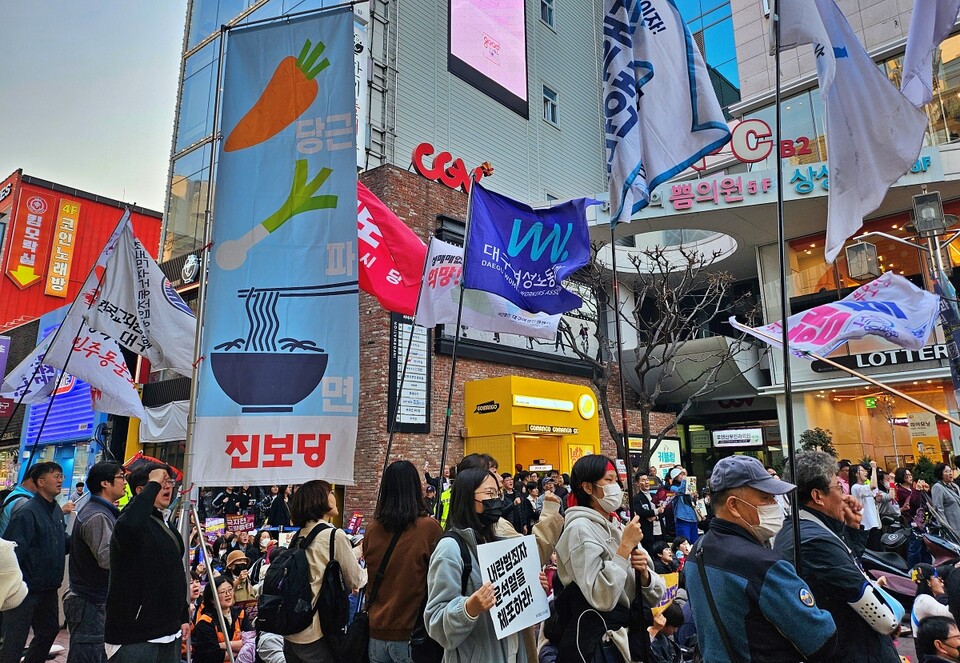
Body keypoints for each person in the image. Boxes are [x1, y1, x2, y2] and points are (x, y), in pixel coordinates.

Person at [685, 454, 838, 662]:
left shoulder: (697, 550)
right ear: (733, 505)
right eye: (766, 498)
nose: (774, 504)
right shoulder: (762, 564)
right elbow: (821, 640)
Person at [774, 451, 902, 663]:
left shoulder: (798, 529)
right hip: (853, 650)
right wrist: (892, 614)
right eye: (838, 488)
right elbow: (885, 619)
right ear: (817, 496)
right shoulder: (815, 542)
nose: (844, 496)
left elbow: (846, 570)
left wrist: (851, 528)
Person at [553, 454, 666, 662]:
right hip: (600, 643)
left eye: (616, 480)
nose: (616, 487)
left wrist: (644, 576)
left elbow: (655, 593)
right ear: (588, 487)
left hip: (629, 637)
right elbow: (601, 596)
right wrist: (623, 550)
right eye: (608, 480)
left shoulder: (619, 525)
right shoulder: (579, 529)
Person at [425, 467, 524, 661]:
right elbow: (436, 623)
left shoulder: (497, 542)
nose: (496, 500)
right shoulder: (450, 549)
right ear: (467, 498)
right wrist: (469, 609)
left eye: (498, 494)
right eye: (489, 493)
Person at [104, 462, 189, 663]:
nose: (167, 487)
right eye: (160, 482)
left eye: (169, 481)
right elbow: (129, 527)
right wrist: (153, 485)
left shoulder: (165, 524)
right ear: (142, 490)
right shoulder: (130, 522)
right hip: (135, 636)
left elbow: (175, 574)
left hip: (170, 632)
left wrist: (183, 616)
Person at [362, 460, 442, 663]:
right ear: (415, 488)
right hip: (412, 634)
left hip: (375, 632)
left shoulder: (372, 529)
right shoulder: (429, 528)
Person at [283, 480, 365, 663]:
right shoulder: (334, 535)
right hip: (316, 632)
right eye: (330, 493)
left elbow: (323, 562)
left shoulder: (299, 535)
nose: (334, 497)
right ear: (320, 500)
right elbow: (356, 579)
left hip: (292, 630)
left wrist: (358, 551)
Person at [0, 462, 70, 663]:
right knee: (14, 641)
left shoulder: (56, 510)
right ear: (40, 481)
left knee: (49, 631)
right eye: (55, 476)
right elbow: (13, 551)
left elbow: (61, 541)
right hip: (25, 590)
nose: (60, 480)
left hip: (49, 588)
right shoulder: (27, 512)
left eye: (61, 476)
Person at [64, 461, 127, 663]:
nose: (125, 482)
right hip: (90, 602)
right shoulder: (97, 515)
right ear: (105, 483)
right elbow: (107, 558)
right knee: (88, 656)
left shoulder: (102, 511)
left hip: (93, 600)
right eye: (121, 477)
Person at [192, 574, 254, 663]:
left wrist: (223, 645)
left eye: (230, 590)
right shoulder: (205, 622)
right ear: (212, 599)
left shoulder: (240, 614)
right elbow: (212, 655)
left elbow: (252, 642)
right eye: (223, 592)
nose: (228, 594)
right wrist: (241, 649)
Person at [895, 466, 931, 566]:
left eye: (911, 475)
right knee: (915, 547)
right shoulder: (901, 491)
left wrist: (925, 491)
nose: (910, 477)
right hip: (912, 522)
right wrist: (917, 490)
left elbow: (923, 502)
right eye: (907, 475)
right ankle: (912, 568)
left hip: (921, 521)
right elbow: (914, 502)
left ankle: (927, 567)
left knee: (925, 546)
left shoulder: (911, 489)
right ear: (901, 477)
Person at [850, 461, 882, 553]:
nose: (866, 472)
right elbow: (873, 486)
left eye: (866, 471)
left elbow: (875, 493)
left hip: (873, 524)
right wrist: (874, 468)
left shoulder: (865, 486)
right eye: (862, 470)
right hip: (866, 526)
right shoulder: (855, 487)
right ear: (856, 474)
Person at [911, 564, 954, 631]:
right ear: (928, 582)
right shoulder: (924, 600)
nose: (942, 582)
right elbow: (952, 614)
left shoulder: (922, 599)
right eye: (938, 578)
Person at [668, 467, 699, 545]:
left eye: (683, 474)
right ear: (675, 477)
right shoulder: (673, 487)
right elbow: (680, 491)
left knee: (695, 543)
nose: (682, 476)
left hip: (692, 517)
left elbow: (692, 500)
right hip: (682, 517)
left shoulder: (687, 485)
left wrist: (695, 496)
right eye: (680, 475)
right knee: (684, 543)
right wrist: (685, 478)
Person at [632, 473, 658, 555]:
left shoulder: (655, 495)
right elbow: (641, 512)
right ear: (637, 483)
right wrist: (656, 512)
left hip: (659, 529)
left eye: (647, 480)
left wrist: (656, 517)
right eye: (643, 480)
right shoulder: (637, 498)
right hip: (647, 530)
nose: (646, 482)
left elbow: (662, 510)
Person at [933, 463, 960, 537]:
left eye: (950, 471)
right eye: (946, 471)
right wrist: (946, 528)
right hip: (952, 527)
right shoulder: (938, 487)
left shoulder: (955, 486)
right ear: (941, 474)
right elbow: (938, 509)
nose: (950, 473)